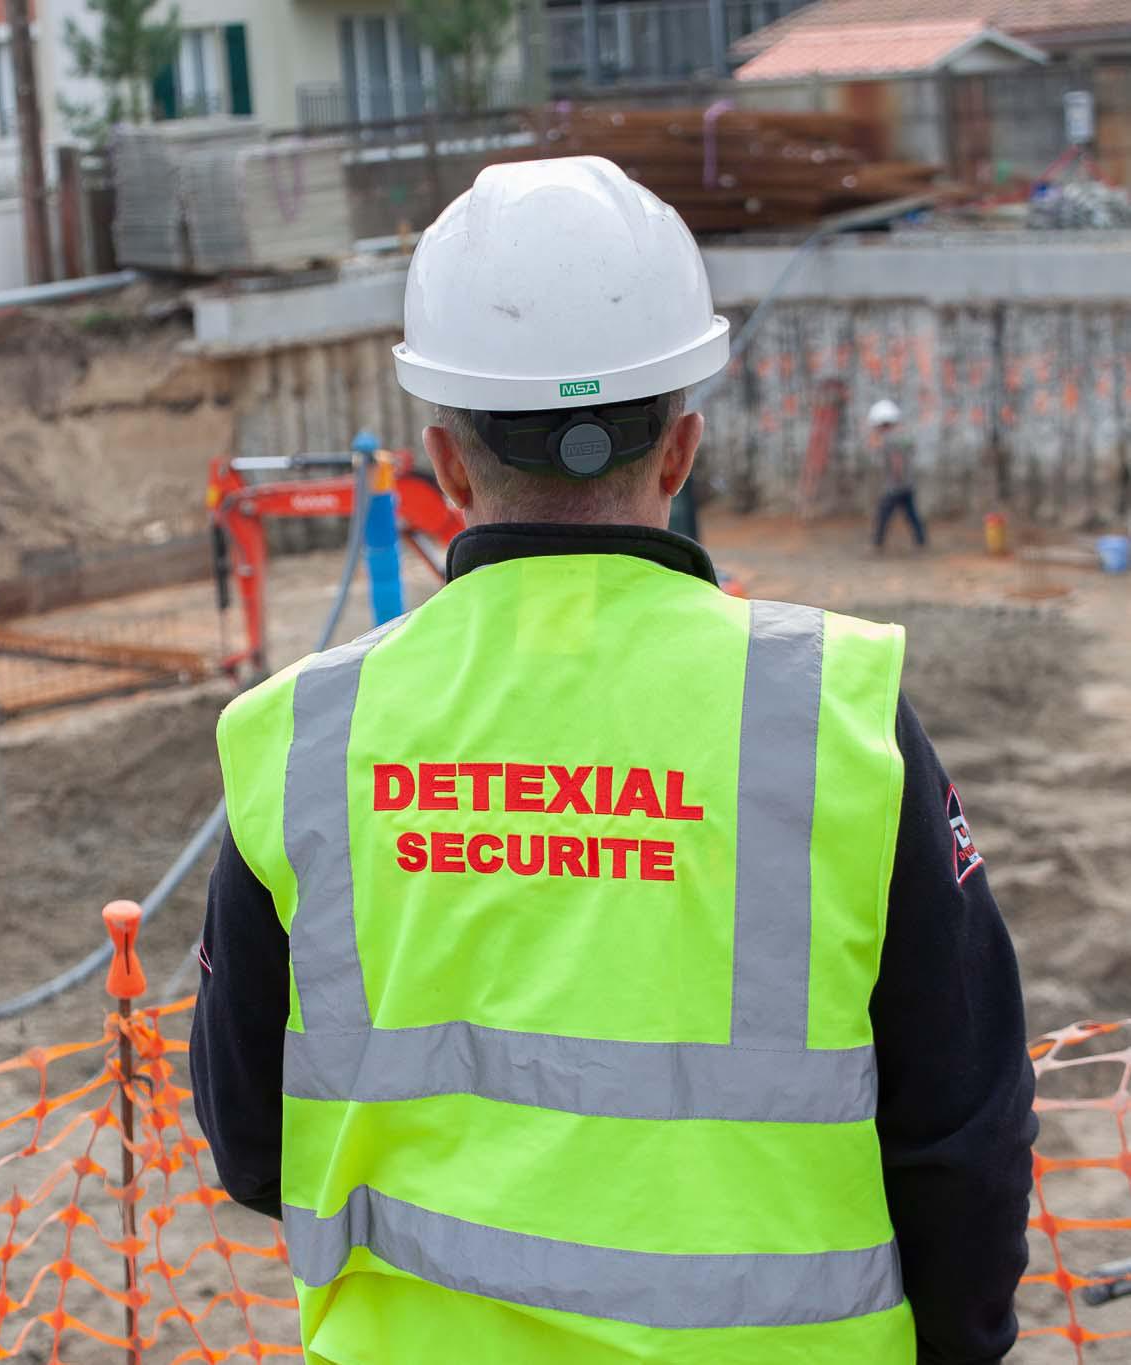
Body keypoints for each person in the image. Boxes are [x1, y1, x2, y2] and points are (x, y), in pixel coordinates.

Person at [191, 158, 1035, 1365]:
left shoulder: (301, 738)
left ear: (443, 462)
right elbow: (965, 1134)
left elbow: (252, 1146)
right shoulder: (833, 717)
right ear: (682, 449)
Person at [871, 398, 928, 550]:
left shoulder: (889, 438)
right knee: (911, 514)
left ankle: (877, 543)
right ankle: (921, 541)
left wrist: (897, 477)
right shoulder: (903, 436)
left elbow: (896, 460)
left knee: (884, 514)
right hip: (908, 483)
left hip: (896, 485)